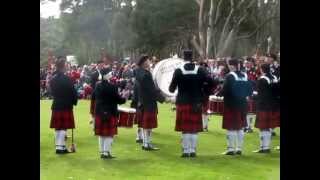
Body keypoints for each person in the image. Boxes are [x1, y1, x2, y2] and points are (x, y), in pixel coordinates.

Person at [169, 50, 213, 158]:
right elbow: (212, 82)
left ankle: (185, 151)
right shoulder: (200, 70)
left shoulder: (178, 70)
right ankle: (193, 150)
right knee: (194, 129)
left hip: (183, 102)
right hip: (196, 102)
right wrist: (204, 92)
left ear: (183, 58)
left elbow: (171, 89)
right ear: (192, 58)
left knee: (185, 129)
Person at [220, 58, 252, 155]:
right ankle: (239, 148)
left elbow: (225, 90)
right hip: (243, 104)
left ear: (231, 66)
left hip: (231, 104)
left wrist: (217, 94)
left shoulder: (230, 76)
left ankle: (230, 149)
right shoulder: (245, 75)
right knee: (240, 127)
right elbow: (250, 90)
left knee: (231, 127)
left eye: (228, 65)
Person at [94, 68, 126, 159]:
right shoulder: (112, 86)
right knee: (109, 134)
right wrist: (124, 98)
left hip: (99, 111)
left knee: (101, 134)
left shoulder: (97, 85)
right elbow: (118, 100)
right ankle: (106, 152)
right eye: (110, 73)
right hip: (110, 112)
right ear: (107, 75)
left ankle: (102, 152)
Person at [135, 55, 165, 151]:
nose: (149, 61)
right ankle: (147, 144)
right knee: (148, 126)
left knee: (144, 125)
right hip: (149, 103)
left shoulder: (138, 72)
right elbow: (152, 90)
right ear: (144, 62)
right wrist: (163, 99)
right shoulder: (146, 74)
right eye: (148, 60)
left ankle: (145, 143)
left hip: (142, 102)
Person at [49, 56, 78, 154]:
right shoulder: (67, 79)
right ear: (63, 67)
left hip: (56, 104)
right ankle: (61, 148)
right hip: (66, 105)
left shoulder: (52, 79)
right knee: (63, 127)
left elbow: (51, 92)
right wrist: (74, 101)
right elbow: (73, 92)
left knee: (58, 127)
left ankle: (58, 146)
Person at [253, 63, 279, 153]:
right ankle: (266, 147)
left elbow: (261, 95)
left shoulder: (262, 79)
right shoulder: (275, 78)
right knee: (268, 127)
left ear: (261, 69)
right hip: (274, 106)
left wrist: (253, 96)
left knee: (263, 127)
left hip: (263, 106)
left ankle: (263, 147)